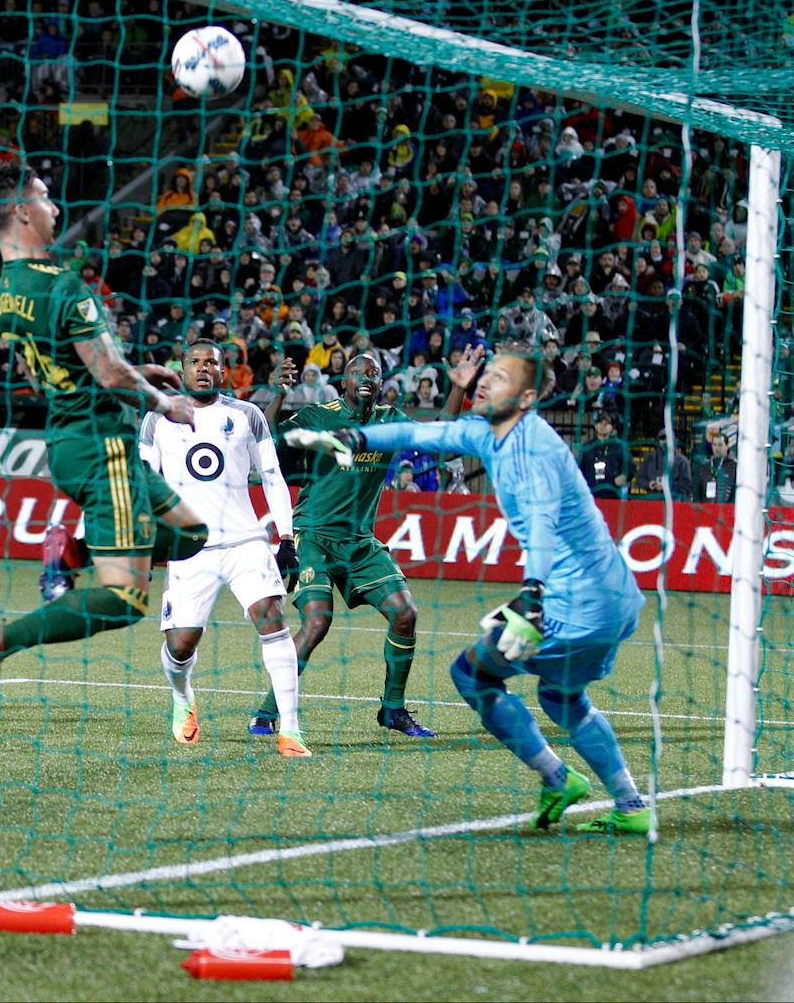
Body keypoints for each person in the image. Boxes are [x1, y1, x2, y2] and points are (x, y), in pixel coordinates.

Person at [289, 346, 650, 833]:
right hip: (615, 597)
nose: (483, 382)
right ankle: (630, 806)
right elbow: (417, 432)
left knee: (472, 675)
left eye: (497, 378)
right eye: (486, 373)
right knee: (563, 697)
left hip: (572, 599)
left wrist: (533, 595)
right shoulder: (487, 431)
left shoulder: (534, 448)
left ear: (525, 397)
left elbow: (542, 524)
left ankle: (558, 778)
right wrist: (356, 435)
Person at [0, 161, 206, 717]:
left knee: (193, 534)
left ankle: (68, 550)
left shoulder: (5, 294)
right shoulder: (65, 284)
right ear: (22, 211)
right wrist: (169, 405)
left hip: (69, 440)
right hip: (105, 449)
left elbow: (62, 367)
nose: (55, 208)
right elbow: (110, 374)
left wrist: (131, 366)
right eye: (44, 198)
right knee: (124, 600)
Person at [254, 346, 482, 739]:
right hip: (316, 536)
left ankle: (392, 710)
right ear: (344, 379)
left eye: (373, 374)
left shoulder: (389, 421)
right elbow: (267, 442)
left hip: (360, 542)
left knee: (405, 613)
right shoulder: (318, 416)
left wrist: (458, 389)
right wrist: (275, 395)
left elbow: (440, 437)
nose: (366, 378)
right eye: (358, 372)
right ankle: (266, 712)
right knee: (317, 622)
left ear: (381, 384)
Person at [138, 339, 308, 757]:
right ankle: (183, 699)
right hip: (188, 547)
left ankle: (290, 729)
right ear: (181, 369)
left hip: (244, 540)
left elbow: (272, 476)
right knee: (181, 645)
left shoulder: (246, 415)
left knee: (271, 617)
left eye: (210, 362)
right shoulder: (158, 418)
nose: (202, 368)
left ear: (223, 370)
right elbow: (142, 483)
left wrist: (284, 538)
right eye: (194, 362)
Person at [578, 411, 628, 499]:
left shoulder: (619, 446)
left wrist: (624, 476)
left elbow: (630, 466)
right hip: (590, 495)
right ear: (595, 425)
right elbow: (578, 468)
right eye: (600, 422)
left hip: (612, 495)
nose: (602, 426)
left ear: (612, 427)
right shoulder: (587, 446)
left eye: (606, 423)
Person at [633, 431, 694, 501]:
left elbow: (687, 486)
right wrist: (649, 484)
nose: (665, 441)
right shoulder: (649, 458)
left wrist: (668, 485)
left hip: (674, 503)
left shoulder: (682, 461)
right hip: (652, 502)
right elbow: (639, 479)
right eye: (662, 439)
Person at [696, 430, 737, 503]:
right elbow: (698, 490)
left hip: (727, 510)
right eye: (714, 445)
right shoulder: (704, 466)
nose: (717, 448)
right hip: (706, 509)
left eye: (720, 445)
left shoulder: (734, 466)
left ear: (727, 446)